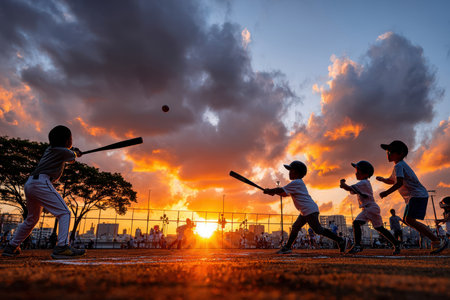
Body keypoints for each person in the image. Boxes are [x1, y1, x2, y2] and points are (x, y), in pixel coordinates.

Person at [2, 125, 86, 259]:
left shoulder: (51, 149)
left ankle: (11, 246)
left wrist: (74, 152)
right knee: (64, 212)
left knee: (32, 219)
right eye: (70, 138)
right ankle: (62, 247)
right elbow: (71, 156)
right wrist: (76, 152)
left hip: (30, 183)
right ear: (66, 141)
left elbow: (70, 156)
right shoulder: (62, 151)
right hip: (41, 182)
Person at [376, 140, 448, 254]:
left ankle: (436, 240)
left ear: (400, 153)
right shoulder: (398, 166)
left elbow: (398, 183)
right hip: (415, 196)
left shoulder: (399, 165)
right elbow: (392, 180)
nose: (388, 154)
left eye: (391, 152)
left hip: (417, 195)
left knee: (409, 220)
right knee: (408, 220)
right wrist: (383, 179)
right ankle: (435, 239)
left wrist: (386, 193)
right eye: (387, 152)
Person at [264, 160, 347, 254]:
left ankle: (340, 240)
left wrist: (271, 190)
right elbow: (283, 193)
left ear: (297, 172)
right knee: (295, 227)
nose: (290, 172)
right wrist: (273, 192)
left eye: (292, 170)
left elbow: (281, 189)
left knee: (318, 230)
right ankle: (287, 247)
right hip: (305, 211)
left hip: (309, 210)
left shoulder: (297, 182)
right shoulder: (296, 184)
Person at [340, 161, 401, 255]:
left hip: (370, 208)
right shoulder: (363, 183)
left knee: (357, 224)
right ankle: (396, 243)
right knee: (379, 228)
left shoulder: (364, 183)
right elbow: (351, 190)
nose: (356, 173)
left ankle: (358, 245)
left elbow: (349, 188)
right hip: (370, 208)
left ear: (366, 174)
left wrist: (343, 184)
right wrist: (344, 186)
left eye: (358, 171)